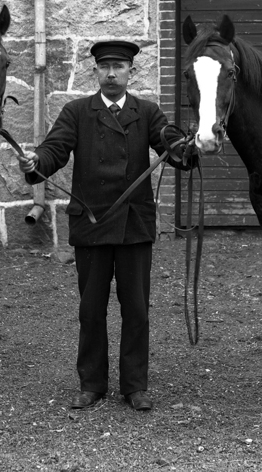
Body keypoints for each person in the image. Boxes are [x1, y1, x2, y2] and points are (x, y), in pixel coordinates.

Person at [16, 39, 191, 411]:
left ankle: (135, 386)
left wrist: (186, 148)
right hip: (92, 224)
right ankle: (92, 384)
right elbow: (54, 149)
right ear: (95, 71)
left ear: (130, 72)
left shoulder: (147, 112)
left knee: (136, 309)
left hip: (133, 225)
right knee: (91, 310)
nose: (112, 74)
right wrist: (36, 163)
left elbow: (170, 144)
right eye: (105, 67)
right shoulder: (77, 112)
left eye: (119, 67)